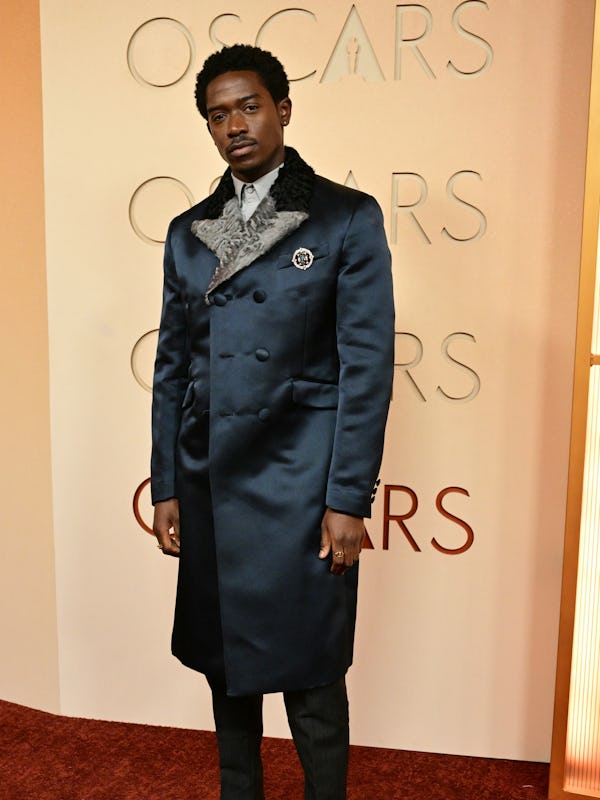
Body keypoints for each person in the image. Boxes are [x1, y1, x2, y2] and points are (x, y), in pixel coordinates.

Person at [151, 44, 395, 800]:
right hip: (212, 480)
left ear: (283, 109)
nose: (235, 125)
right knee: (227, 672)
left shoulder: (346, 217)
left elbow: (367, 367)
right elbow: (173, 367)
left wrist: (348, 498)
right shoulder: (189, 229)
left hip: (301, 485)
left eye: (248, 106)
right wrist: (167, 483)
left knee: (313, 677)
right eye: (217, 114)